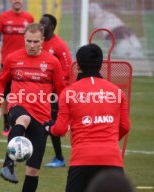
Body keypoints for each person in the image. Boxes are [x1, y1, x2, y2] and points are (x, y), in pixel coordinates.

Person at [45, 43, 131, 192]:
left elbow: (60, 129)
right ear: (100, 64)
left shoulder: (68, 93)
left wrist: (48, 127)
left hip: (81, 159)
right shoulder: (117, 92)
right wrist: (107, 141)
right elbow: (125, 126)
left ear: (77, 66)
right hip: (111, 158)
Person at [0, 23, 65, 191]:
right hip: (18, 106)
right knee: (23, 119)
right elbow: (1, 81)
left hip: (42, 116)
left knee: (32, 171)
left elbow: (61, 91)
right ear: (24, 39)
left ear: (43, 40)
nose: (32, 45)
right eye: (29, 41)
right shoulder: (12, 58)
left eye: (36, 42)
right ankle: (8, 165)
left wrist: (64, 118)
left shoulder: (52, 62)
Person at [0, 0, 34, 137]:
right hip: (8, 63)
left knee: (27, 92)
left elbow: (34, 35)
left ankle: (26, 120)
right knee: (7, 95)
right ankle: (6, 122)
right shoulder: (3, 17)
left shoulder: (29, 17)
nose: (17, 1)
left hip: (26, 63)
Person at [39, 13, 73, 168]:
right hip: (40, 90)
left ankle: (59, 158)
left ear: (51, 26)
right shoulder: (39, 43)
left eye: (43, 23)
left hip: (56, 92)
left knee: (50, 121)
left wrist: (53, 83)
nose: (40, 25)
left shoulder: (59, 45)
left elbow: (68, 69)